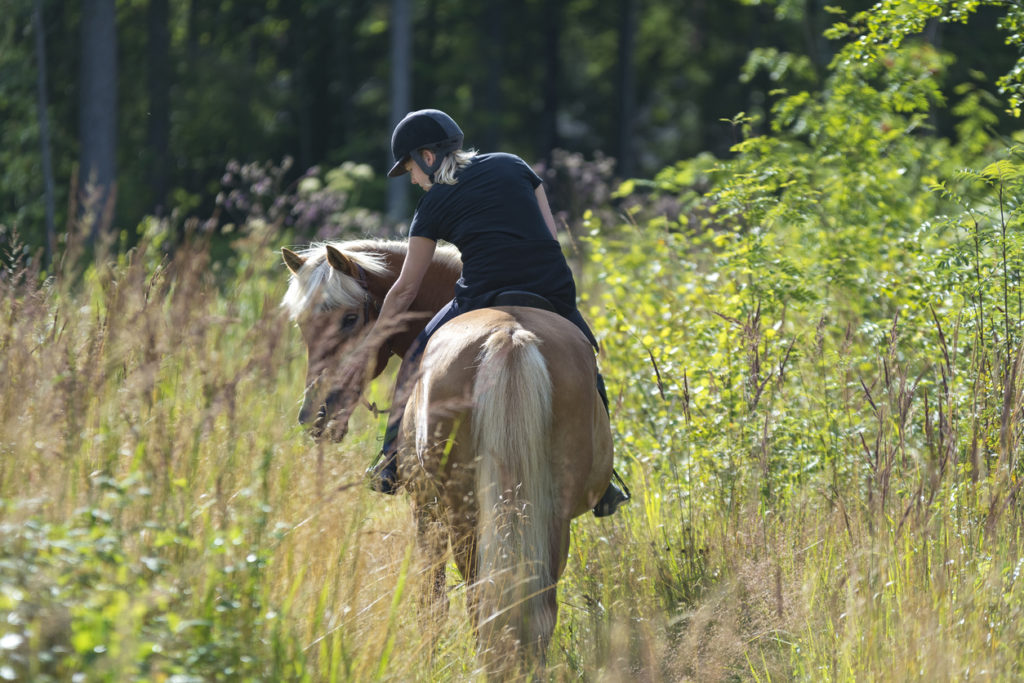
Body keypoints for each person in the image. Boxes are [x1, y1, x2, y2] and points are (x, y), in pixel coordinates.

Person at [368, 108, 628, 517]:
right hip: (552, 288)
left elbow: (405, 289)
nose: (415, 180)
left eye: (410, 170)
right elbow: (550, 236)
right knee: (586, 358)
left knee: (417, 355)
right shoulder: (514, 164)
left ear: (427, 157)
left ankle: (389, 462)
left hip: (483, 295)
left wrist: (375, 336)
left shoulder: (433, 203)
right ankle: (605, 476)